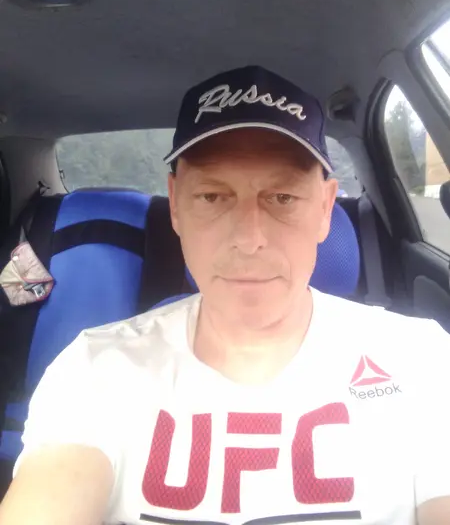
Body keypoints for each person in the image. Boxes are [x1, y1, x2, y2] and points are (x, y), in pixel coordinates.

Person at [0, 65, 449, 525]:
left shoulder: (421, 360)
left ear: (324, 209)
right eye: (213, 197)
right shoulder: (96, 369)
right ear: (176, 206)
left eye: (283, 198)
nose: (249, 240)